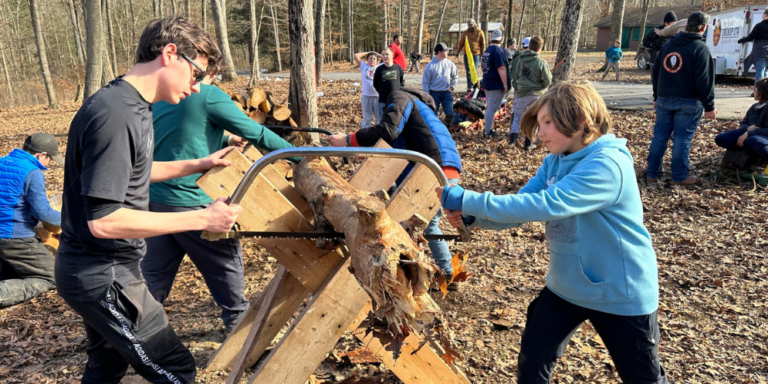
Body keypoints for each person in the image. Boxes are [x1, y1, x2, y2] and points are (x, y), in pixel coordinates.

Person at [436, 81, 669, 384]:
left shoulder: (607, 164)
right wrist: (474, 216)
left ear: (580, 121)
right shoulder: (555, 162)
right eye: (539, 123)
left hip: (620, 293)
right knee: (534, 357)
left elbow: (546, 204)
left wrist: (468, 198)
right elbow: (523, 206)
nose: (540, 132)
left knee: (643, 378)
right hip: (567, 287)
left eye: (548, 123)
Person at [55, 16, 243, 384]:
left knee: (106, 369)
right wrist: (202, 218)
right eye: (197, 75)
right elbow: (104, 220)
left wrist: (195, 164)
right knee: (175, 368)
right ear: (170, 54)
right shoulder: (116, 114)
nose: (195, 88)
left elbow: (131, 169)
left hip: (103, 268)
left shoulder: (134, 105)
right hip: (102, 273)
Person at [141, 70, 300, 334]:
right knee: (226, 272)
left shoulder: (159, 93)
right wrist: (300, 155)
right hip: (195, 201)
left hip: (157, 200)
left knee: (151, 282)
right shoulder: (207, 95)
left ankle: (129, 336)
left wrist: (224, 139)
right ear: (211, 71)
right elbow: (256, 132)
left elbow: (174, 134)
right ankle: (240, 340)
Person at [326, 88, 463, 290]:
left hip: (431, 168)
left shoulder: (399, 96)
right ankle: (445, 273)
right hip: (444, 168)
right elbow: (395, 142)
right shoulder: (423, 109)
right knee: (428, 225)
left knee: (405, 224)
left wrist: (348, 140)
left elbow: (388, 130)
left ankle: (418, 278)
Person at [648, 11, 716, 186]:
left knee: (659, 137)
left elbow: (656, 73)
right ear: (704, 27)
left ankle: (652, 173)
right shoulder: (700, 49)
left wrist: (656, 96)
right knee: (681, 139)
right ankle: (679, 176)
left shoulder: (667, 46)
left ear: (686, 26)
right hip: (689, 101)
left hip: (664, 99)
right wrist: (709, 107)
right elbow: (705, 81)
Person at [0, 133, 63, 308]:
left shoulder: (2, 162)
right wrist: (71, 219)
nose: (48, 165)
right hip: (14, 238)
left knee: (10, 272)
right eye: (50, 159)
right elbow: (44, 213)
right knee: (52, 277)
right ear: (41, 155)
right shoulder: (32, 172)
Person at [715, 78, 768, 169]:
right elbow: (743, 123)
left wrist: (749, 133)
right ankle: (750, 156)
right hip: (748, 134)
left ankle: (762, 157)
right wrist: (747, 129)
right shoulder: (754, 107)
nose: (753, 91)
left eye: (756, 89)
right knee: (721, 138)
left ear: (763, 92)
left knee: (753, 141)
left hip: (762, 137)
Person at [510, 36, 551, 150]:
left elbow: (516, 75)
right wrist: (541, 87)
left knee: (518, 117)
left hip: (522, 93)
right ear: (539, 48)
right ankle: (528, 143)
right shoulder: (541, 62)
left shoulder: (520, 60)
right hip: (537, 94)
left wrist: (518, 86)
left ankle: (512, 141)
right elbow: (547, 80)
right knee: (534, 118)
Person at [480, 29, 509, 138]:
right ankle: (488, 131)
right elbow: (501, 68)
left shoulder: (487, 50)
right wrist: (505, 84)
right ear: (502, 38)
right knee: (492, 108)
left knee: (489, 107)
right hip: (495, 84)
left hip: (488, 82)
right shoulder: (498, 51)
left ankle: (488, 128)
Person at [422, 43, 458, 127]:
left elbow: (455, 76)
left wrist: (452, 87)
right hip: (434, 93)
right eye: (446, 51)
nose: (447, 52)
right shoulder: (430, 66)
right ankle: (435, 129)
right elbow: (425, 82)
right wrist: (427, 95)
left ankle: (447, 128)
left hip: (446, 92)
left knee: (450, 113)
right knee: (434, 113)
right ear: (440, 52)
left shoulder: (450, 64)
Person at [373, 47, 405, 120]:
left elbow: (402, 82)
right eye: (383, 55)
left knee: (395, 120)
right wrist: (381, 92)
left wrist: (398, 93)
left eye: (387, 54)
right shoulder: (379, 69)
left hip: (395, 100)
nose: (385, 56)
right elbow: (375, 84)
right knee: (383, 120)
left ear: (392, 55)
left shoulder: (398, 68)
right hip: (383, 100)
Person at [738, 10, 768, 86]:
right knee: (766, 71)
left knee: (760, 70)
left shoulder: (760, 25)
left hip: (760, 50)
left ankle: (758, 91)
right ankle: (765, 91)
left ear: (765, 15)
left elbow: (751, 37)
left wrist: (741, 40)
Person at [455, 18, 486, 91]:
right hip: (467, 54)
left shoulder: (480, 32)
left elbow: (483, 44)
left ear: (474, 24)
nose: (470, 26)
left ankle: (475, 85)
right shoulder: (465, 33)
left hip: (476, 54)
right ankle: (469, 86)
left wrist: (482, 54)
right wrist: (457, 53)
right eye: (469, 25)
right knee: (468, 70)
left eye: (471, 24)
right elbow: (461, 44)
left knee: (474, 70)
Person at [354, 51, 382, 128]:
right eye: (370, 58)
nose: (372, 60)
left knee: (379, 119)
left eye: (374, 58)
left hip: (378, 97)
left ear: (377, 61)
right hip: (366, 96)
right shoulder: (364, 66)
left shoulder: (380, 66)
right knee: (367, 119)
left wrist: (378, 54)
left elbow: (390, 59)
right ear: (367, 60)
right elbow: (356, 55)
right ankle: (365, 136)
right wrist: (369, 52)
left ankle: (378, 136)